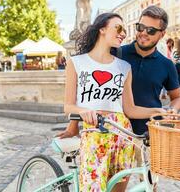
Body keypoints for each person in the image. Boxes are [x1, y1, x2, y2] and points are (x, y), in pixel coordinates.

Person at [64, 12, 168, 192]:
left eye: (124, 30)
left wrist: (157, 111)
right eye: (118, 27)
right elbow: (68, 106)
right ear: (102, 28)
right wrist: (83, 112)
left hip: (122, 135)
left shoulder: (124, 67)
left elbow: (130, 109)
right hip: (94, 135)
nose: (123, 33)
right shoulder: (76, 63)